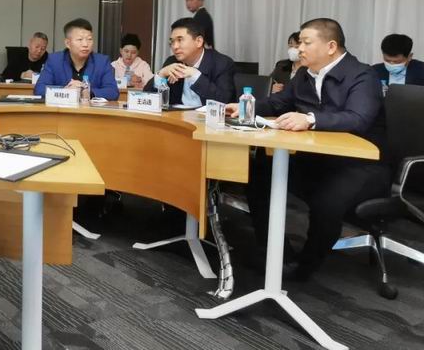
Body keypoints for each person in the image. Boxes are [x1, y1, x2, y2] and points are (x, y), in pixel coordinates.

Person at [232, 18, 391, 281]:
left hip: (360, 164)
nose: (299, 49)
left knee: (326, 203)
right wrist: (244, 108)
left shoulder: (362, 76)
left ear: (331, 46)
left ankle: (305, 266)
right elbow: (279, 102)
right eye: (299, 43)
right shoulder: (305, 75)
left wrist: (310, 119)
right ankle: (277, 254)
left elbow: (358, 118)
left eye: (306, 43)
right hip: (319, 159)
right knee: (258, 173)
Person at [143, 18, 235, 106]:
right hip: (177, 116)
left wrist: (195, 75)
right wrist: (161, 74)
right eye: (172, 42)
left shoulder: (221, 63)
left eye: (180, 40)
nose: (175, 46)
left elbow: (225, 102)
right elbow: (146, 98)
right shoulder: (172, 62)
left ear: (199, 41)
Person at [34, 18, 119, 100]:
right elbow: (39, 89)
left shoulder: (102, 62)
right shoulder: (55, 60)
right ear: (67, 43)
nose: (85, 44)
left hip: (90, 109)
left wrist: (88, 93)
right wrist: (65, 91)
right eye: (80, 39)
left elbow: (113, 92)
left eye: (89, 39)